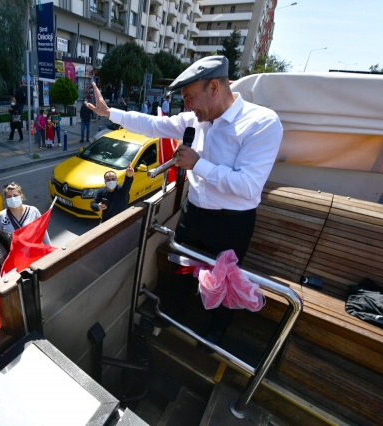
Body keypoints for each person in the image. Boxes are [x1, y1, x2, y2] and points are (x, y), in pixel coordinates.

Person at [86, 55, 283, 347]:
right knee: (179, 266)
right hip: (194, 212)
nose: (187, 107)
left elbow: (248, 185)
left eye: (190, 98)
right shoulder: (195, 120)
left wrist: (198, 164)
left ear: (214, 87)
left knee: (224, 280)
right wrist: (110, 113)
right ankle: (170, 313)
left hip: (232, 223)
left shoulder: (261, 123)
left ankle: (215, 331)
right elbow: (153, 124)